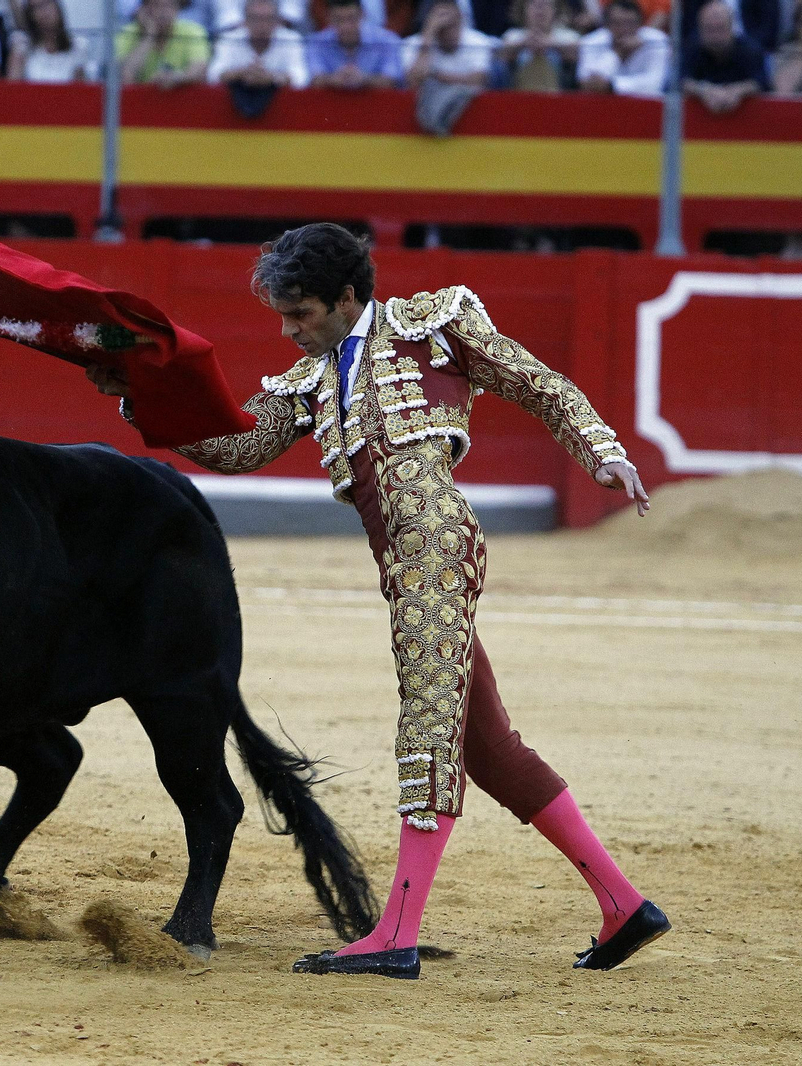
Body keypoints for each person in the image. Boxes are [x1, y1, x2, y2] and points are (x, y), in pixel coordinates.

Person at [88, 223, 669, 981]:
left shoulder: (432, 326)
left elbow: (539, 382)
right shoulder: (315, 374)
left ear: (348, 296)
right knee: (486, 745)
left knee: (426, 726)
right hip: (401, 561)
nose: (288, 330)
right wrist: (142, 395)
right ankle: (624, 905)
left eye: (301, 314)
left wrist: (604, 453)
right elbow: (238, 446)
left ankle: (395, 932)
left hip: (433, 544)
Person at [681, 0, 767, 111]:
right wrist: (704, 91)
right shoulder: (691, 49)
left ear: (732, 28)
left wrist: (737, 91)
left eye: (720, 28)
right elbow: (680, 80)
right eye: (709, 29)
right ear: (700, 29)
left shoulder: (750, 50)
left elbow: (761, 82)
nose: (715, 36)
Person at [209, 0, 311, 88]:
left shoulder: (291, 39)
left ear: (277, 21)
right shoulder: (229, 39)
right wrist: (241, 74)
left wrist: (272, 78)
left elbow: (301, 78)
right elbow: (213, 76)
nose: (262, 25)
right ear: (244, 21)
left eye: (268, 19)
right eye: (255, 19)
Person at [576, 0, 668, 96]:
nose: (624, 29)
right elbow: (587, 84)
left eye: (630, 23)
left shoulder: (656, 41)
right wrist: (618, 54)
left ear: (641, 24)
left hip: (645, 106)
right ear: (606, 25)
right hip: (602, 105)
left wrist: (612, 86)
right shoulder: (592, 41)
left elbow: (654, 85)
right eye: (617, 23)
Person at [307, 0, 403, 88]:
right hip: (330, 103)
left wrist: (365, 79)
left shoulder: (386, 40)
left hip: (377, 104)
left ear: (362, 15)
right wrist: (332, 79)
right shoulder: (317, 42)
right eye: (339, 19)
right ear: (329, 18)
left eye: (351, 18)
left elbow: (393, 81)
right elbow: (314, 80)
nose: (346, 26)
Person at [403, 0, 495, 89]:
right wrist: (428, 37)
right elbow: (413, 83)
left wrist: (434, 74)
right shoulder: (414, 43)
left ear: (460, 19)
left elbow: (478, 81)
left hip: (468, 101)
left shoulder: (478, 42)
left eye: (452, 24)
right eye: (443, 27)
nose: (449, 32)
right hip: (426, 103)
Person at [116, 0, 211, 86]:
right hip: (141, 102)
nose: (163, 12)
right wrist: (149, 37)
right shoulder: (128, 32)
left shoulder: (193, 31)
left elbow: (200, 70)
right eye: (156, 5)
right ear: (143, 9)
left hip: (179, 100)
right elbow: (123, 77)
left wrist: (176, 78)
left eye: (169, 6)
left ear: (177, 9)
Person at [498, 0, 580, 90]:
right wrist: (523, 44)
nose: (540, 9)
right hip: (518, 95)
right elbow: (502, 55)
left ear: (555, 10)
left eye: (546, 4)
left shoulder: (568, 36)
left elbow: (577, 54)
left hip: (559, 95)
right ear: (524, 9)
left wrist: (551, 44)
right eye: (534, 4)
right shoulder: (513, 35)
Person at [6, 0, 94, 81]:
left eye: (47, 3)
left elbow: (81, 91)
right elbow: (12, 89)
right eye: (36, 7)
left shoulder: (77, 47)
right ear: (30, 15)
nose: (43, 11)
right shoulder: (22, 45)